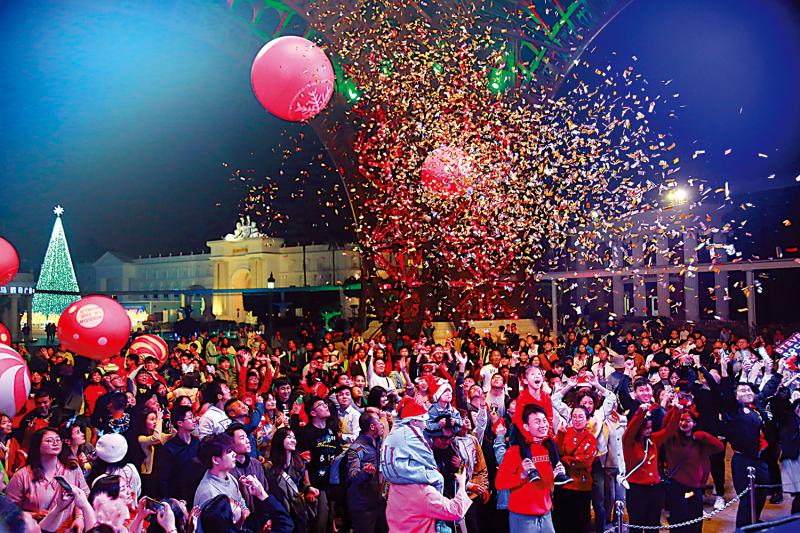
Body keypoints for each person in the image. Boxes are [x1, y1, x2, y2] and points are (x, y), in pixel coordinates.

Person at [496, 404, 565, 533]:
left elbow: (547, 481)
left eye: (544, 420)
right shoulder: (514, 452)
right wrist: (522, 475)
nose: (543, 425)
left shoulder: (549, 449)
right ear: (526, 427)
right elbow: (499, 483)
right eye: (537, 422)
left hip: (546, 514)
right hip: (522, 516)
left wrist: (557, 473)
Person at [5, 428, 90, 531]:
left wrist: (79, 518)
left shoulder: (72, 468)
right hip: (36, 529)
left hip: (67, 528)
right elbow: (7, 510)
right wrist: (32, 515)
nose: (55, 443)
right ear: (37, 446)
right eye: (49, 440)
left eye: (58, 440)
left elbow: (83, 496)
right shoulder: (22, 475)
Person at [662, 405, 724, 533]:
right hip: (676, 486)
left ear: (695, 423)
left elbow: (720, 447)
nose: (684, 423)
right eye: (681, 420)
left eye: (688, 421)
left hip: (696, 487)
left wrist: (702, 436)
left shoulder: (699, 441)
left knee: (696, 522)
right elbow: (665, 424)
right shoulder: (671, 438)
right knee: (679, 522)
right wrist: (676, 410)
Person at [621, 403, 679, 533]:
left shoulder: (653, 440)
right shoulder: (629, 442)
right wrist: (641, 413)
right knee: (636, 524)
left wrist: (677, 412)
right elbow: (631, 428)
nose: (650, 431)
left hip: (655, 489)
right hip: (637, 490)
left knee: (653, 525)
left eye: (651, 428)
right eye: (646, 428)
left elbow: (669, 432)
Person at [295, 396, 342, 533]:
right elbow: (304, 463)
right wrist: (308, 487)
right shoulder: (306, 433)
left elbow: (338, 454)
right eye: (321, 405)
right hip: (316, 484)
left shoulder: (331, 430)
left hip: (332, 482)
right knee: (320, 521)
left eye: (325, 404)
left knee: (331, 520)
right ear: (313, 413)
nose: (326, 406)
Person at [552, 406, 597, 533]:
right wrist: (560, 435)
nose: (577, 419)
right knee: (561, 522)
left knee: (580, 523)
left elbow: (585, 461)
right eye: (575, 416)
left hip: (582, 487)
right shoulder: (564, 432)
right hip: (563, 486)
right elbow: (556, 453)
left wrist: (565, 460)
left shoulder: (591, 438)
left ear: (587, 420)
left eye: (581, 416)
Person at [267, 427, 319, 532]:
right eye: (289, 437)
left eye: (294, 437)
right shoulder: (269, 467)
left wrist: (309, 488)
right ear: (280, 440)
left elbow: (301, 483)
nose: (293, 440)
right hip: (281, 512)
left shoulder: (298, 463)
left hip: (298, 509)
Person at [346, 412, 387, 533]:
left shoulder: (378, 441)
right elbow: (353, 476)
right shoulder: (357, 448)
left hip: (377, 501)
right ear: (372, 427)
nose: (382, 425)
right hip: (362, 505)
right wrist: (365, 472)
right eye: (379, 422)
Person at [156, 405, 201, 504]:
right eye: (190, 418)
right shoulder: (170, 448)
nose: (194, 420)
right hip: (179, 497)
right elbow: (164, 479)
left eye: (193, 417)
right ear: (180, 423)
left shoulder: (197, 442)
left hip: (198, 494)